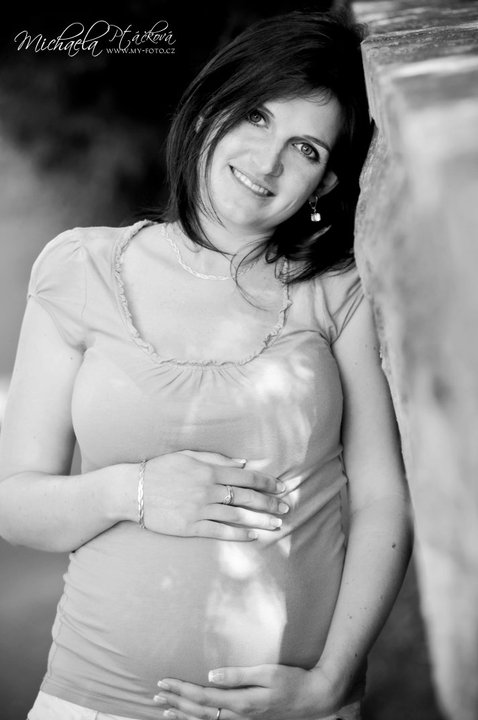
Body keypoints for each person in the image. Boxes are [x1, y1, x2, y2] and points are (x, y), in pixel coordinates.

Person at [0, 8, 412, 720]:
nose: (268, 162)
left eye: (306, 149)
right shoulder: (81, 266)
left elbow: (383, 502)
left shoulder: (337, 290)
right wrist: (133, 491)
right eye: (256, 116)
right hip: (90, 701)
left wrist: (330, 683)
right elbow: (15, 506)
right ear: (208, 109)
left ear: (324, 186)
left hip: (290, 708)